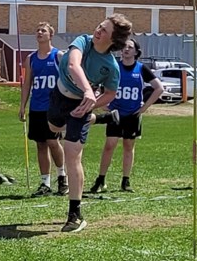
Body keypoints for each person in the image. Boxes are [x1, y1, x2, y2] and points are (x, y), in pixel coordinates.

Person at [47, 14, 133, 232]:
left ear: (113, 40)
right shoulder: (83, 41)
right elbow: (74, 65)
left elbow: (111, 93)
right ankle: (98, 119)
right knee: (53, 129)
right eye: (99, 26)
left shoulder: (111, 67)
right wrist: (88, 90)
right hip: (60, 96)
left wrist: (88, 106)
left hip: (80, 107)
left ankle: (75, 214)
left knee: (71, 154)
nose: (98, 31)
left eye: (104, 30)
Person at [89, 38, 164, 194]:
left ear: (136, 52)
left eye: (130, 47)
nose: (126, 49)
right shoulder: (114, 67)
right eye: (123, 46)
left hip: (132, 114)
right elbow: (96, 85)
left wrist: (144, 107)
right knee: (109, 145)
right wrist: (102, 103)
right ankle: (101, 179)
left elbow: (159, 88)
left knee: (128, 146)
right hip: (115, 113)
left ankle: (125, 180)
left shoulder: (141, 69)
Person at [19, 22, 68, 197]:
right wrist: (22, 106)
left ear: (50, 35)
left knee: (53, 142)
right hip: (36, 107)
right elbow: (27, 84)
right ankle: (45, 183)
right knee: (41, 144)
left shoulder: (58, 56)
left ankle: (62, 177)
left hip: (53, 108)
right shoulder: (31, 59)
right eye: (37, 30)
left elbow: (67, 80)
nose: (40, 33)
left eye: (43, 30)